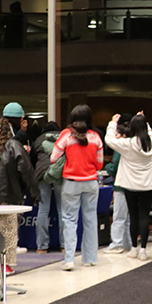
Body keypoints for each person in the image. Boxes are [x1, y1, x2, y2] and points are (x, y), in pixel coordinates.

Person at [0, 117, 41, 273]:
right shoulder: (14, 146)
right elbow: (26, 171)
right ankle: (5, 264)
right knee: (8, 231)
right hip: (9, 196)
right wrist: (35, 193)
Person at [52, 104, 103, 271]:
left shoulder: (66, 135)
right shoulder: (95, 137)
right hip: (91, 182)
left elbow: (53, 158)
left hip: (71, 182)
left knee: (69, 221)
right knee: (90, 219)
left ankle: (69, 260)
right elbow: (99, 164)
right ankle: (90, 258)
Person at [105, 111, 152, 261]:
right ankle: (143, 250)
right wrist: (145, 121)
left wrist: (113, 123)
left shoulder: (127, 144)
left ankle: (134, 248)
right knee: (144, 216)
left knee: (133, 216)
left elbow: (109, 140)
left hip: (130, 185)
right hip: (148, 184)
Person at [31, 121, 64, 254]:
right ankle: (65, 246)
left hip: (42, 173)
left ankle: (42, 246)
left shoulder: (39, 139)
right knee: (62, 210)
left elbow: (32, 159)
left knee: (43, 210)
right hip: (58, 173)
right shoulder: (63, 137)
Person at [103, 116, 133, 255]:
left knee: (119, 217)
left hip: (121, 185)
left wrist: (107, 167)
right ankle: (127, 243)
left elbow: (114, 168)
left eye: (117, 135)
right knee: (128, 218)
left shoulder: (120, 148)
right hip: (133, 185)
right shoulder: (135, 145)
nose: (115, 138)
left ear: (123, 136)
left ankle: (116, 244)